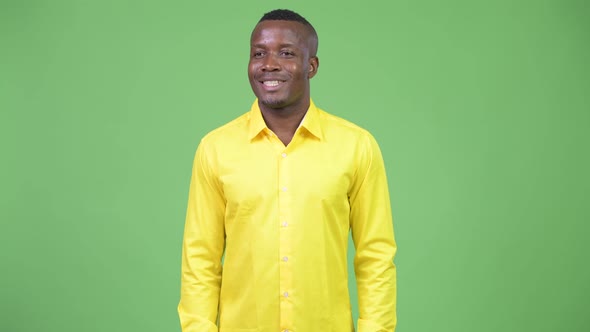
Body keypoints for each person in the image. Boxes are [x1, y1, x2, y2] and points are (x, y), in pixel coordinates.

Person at [178, 9, 397, 332]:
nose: (269, 64)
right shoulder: (215, 148)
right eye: (259, 53)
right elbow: (200, 259)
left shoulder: (357, 146)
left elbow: (375, 256)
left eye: (286, 53)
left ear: (312, 66)